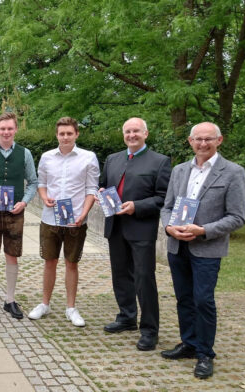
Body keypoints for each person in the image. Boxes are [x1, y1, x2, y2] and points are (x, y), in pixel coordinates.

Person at [159, 122, 245, 379]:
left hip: (207, 247)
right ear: (190, 141)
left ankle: (205, 353)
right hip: (177, 245)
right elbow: (167, 207)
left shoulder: (232, 172)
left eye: (209, 139)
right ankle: (188, 343)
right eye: (198, 139)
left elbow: (237, 217)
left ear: (220, 140)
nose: (203, 144)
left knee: (203, 301)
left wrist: (203, 230)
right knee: (184, 298)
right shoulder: (179, 170)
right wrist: (169, 228)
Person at [99, 117, 171, 351]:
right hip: (116, 227)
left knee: (143, 278)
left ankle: (150, 330)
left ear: (146, 134)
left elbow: (163, 198)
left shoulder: (159, 162)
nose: (131, 135)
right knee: (120, 275)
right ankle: (127, 317)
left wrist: (137, 206)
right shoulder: (113, 159)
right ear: (123, 135)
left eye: (136, 131)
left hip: (141, 228)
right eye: (128, 132)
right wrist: (101, 191)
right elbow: (102, 185)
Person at [27, 117, 99, 327]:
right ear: (56, 135)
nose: (65, 137)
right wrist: (43, 196)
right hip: (50, 218)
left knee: (71, 263)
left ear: (76, 134)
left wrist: (83, 214)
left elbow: (91, 189)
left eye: (69, 133)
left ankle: (71, 307)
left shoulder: (88, 157)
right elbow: (41, 183)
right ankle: (45, 304)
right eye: (62, 134)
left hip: (76, 219)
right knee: (49, 262)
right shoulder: (47, 157)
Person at [0, 112, 38, 319]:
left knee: (12, 254)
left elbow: (33, 182)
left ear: (15, 130)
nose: (6, 132)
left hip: (14, 213)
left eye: (10, 128)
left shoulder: (25, 153)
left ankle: (10, 300)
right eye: (3, 128)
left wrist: (24, 202)